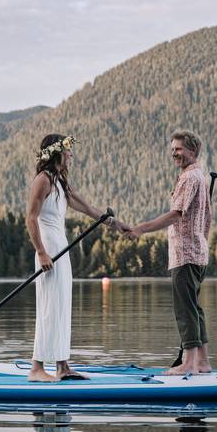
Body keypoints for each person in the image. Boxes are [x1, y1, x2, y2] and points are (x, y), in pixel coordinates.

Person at [25, 133, 128, 382]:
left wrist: (119, 226)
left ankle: (62, 366)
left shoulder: (59, 181)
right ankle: (37, 368)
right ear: (57, 152)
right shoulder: (42, 181)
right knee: (49, 305)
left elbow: (90, 209)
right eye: (68, 150)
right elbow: (30, 217)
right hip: (49, 248)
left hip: (60, 248)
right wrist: (41, 252)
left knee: (61, 304)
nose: (71, 154)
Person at [127, 130, 212, 375]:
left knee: (185, 308)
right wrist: (202, 241)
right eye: (173, 148)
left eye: (179, 149)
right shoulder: (200, 176)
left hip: (185, 254)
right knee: (194, 307)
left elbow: (176, 214)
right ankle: (203, 362)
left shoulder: (189, 178)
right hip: (198, 252)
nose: (174, 153)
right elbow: (208, 216)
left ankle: (189, 364)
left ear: (192, 151)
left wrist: (141, 229)